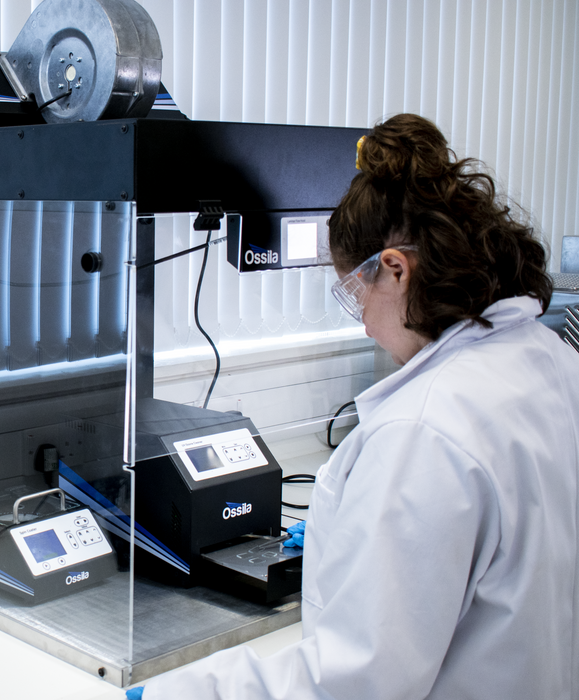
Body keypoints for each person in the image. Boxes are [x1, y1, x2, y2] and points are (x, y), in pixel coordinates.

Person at [130, 114, 579, 700]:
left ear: (395, 269)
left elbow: (351, 682)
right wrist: (347, 534)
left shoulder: (424, 431)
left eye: (354, 293)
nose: (363, 321)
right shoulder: (549, 359)